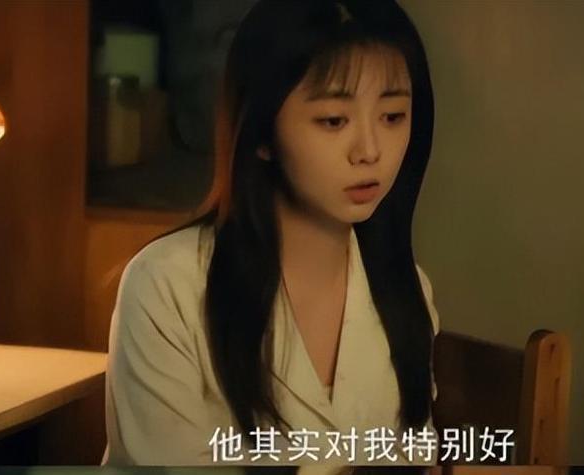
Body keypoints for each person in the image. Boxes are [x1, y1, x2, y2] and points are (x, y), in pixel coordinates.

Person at [104, 0, 439, 472]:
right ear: (262, 134)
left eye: (392, 117)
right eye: (333, 120)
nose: (369, 151)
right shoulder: (168, 286)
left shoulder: (407, 289)